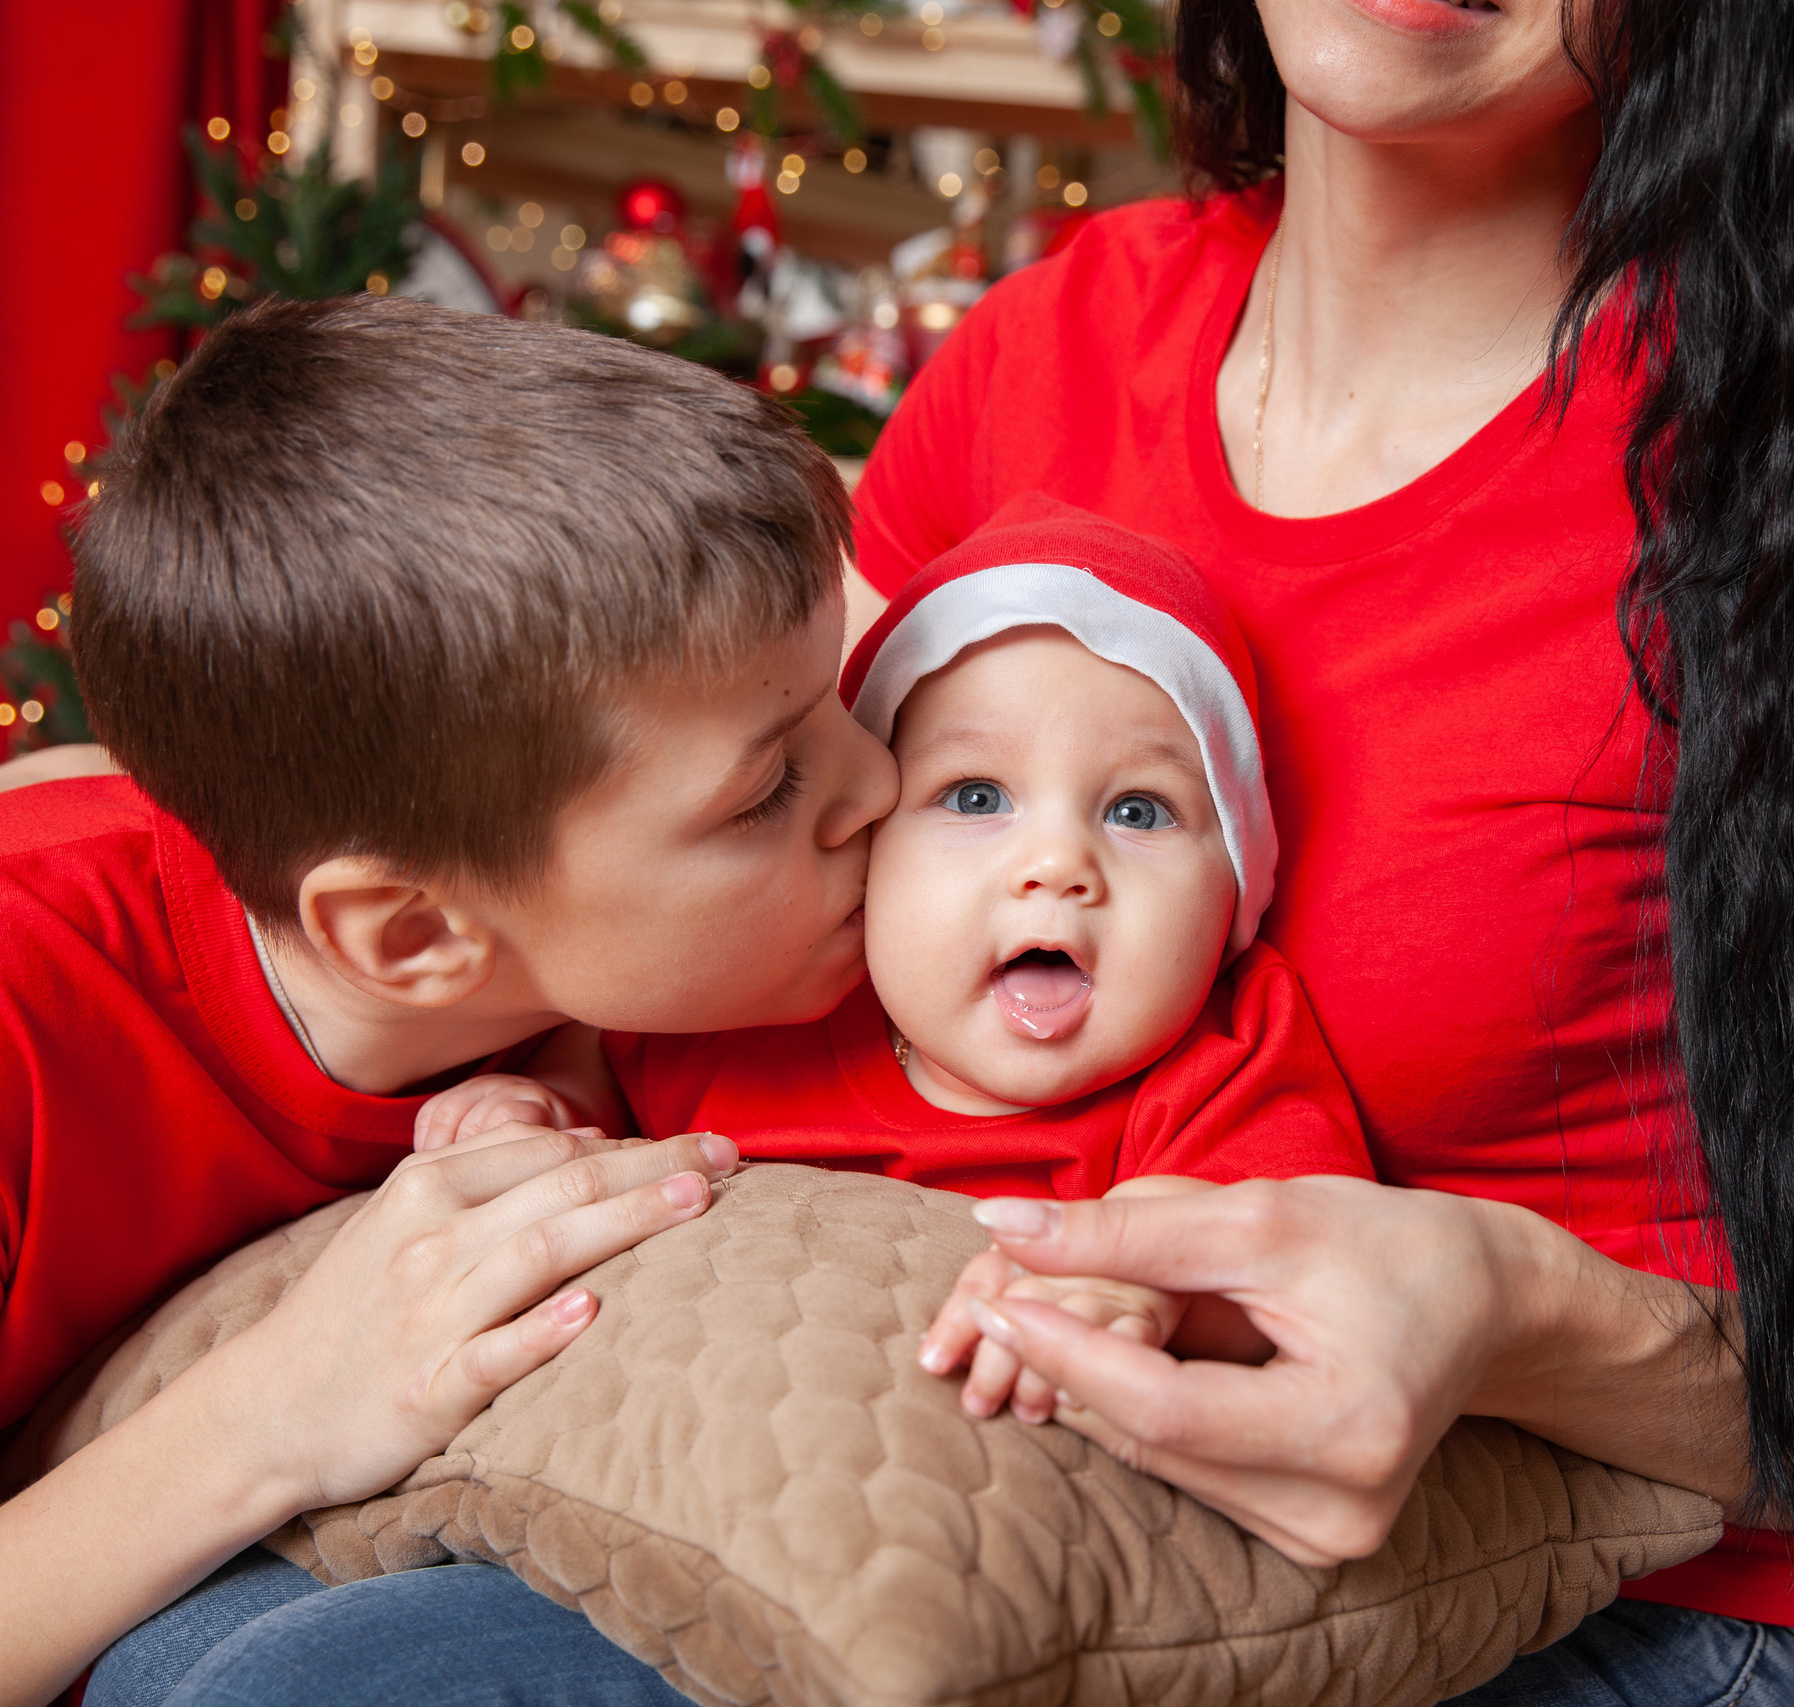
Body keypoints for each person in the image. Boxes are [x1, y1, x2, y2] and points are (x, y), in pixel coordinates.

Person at [0, 0, 1794, 1701]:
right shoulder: (1059, 344)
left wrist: (1520, 1315)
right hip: (954, 1474)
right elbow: (604, 772)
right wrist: (67, 800)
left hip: (1623, 1613)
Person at [0, 295, 900, 1703]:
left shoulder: (523, 890)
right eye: (770, 785)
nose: (887, 785)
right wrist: (278, 1411)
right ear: (415, 930)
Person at [442, 497, 1373, 1422]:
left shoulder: (1224, 1061)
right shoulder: (775, 1005)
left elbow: (1297, 1250)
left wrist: (1149, 1283)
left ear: (1234, 893)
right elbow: (617, 1046)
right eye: (975, 797)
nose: (1055, 865)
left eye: (1138, 810)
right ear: (870, 846)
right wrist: (550, 1103)